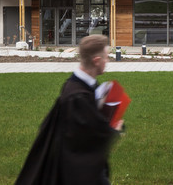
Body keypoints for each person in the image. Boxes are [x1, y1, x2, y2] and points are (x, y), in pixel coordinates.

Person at [16, 35, 124, 185]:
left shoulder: (82, 86)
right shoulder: (77, 97)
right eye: (106, 57)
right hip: (78, 172)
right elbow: (84, 138)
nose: (108, 61)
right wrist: (113, 130)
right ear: (96, 60)